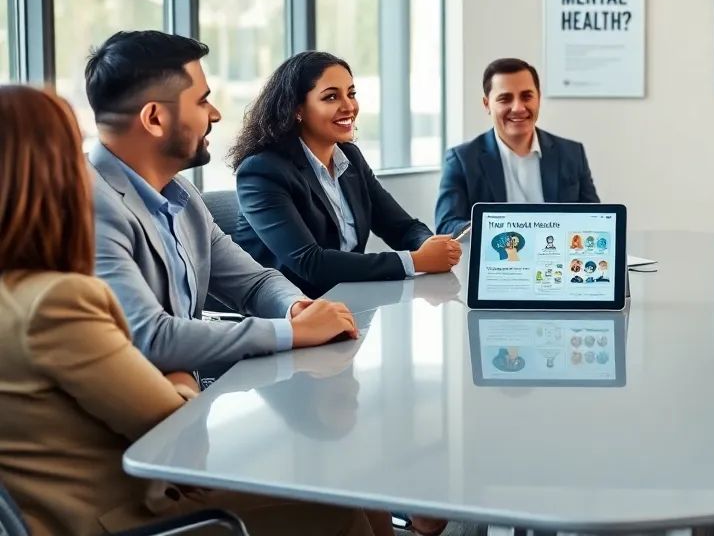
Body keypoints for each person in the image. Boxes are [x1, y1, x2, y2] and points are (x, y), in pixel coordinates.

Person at [0, 85, 374, 536]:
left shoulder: (24, 291)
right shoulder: (56, 301)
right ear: (48, 171)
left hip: (127, 487)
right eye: (73, 150)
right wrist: (175, 363)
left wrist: (296, 311)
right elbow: (174, 424)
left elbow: (250, 281)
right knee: (340, 504)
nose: (87, 169)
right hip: (126, 513)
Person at [85, 31, 358, 374]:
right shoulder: (88, 205)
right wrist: (290, 332)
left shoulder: (181, 195)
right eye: (201, 101)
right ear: (154, 118)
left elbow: (255, 283)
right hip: (134, 419)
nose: (214, 114)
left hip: (186, 402)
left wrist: (296, 309)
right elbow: (151, 339)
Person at [229, 52, 462, 298]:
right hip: (291, 314)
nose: (349, 106)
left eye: (351, 94)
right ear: (297, 110)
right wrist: (416, 261)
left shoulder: (350, 158)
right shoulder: (262, 171)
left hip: (348, 302)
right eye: (331, 97)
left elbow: (402, 227)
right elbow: (311, 264)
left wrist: (428, 245)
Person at [435, 58, 599, 236]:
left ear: (539, 98)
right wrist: (498, 228)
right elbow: (446, 226)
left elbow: (596, 219)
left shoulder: (572, 154)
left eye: (526, 96)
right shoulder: (461, 160)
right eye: (505, 99)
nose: (518, 108)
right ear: (487, 104)